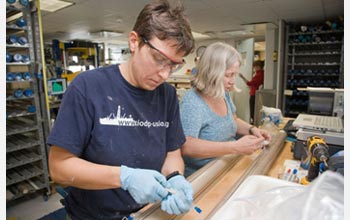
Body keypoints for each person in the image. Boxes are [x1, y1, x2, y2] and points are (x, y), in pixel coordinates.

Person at [47, 0, 195, 219]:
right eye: (159, 59)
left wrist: (174, 176)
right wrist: (125, 177)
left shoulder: (167, 95)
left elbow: (172, 153)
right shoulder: (87, 87)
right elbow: (59, 168)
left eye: (174, 65)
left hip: (146, 213)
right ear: (134, 42)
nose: (165, 74)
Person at [179, 42, 271, 177]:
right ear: (212, 72)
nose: (233, 81)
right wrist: (234, 147)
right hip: (204, 176)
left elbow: (233, 119)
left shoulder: (223, 93)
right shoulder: (192, 102)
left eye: (235, 75)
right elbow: (186, 146)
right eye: (228, 75)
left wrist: (252, 129)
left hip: (228, 165)